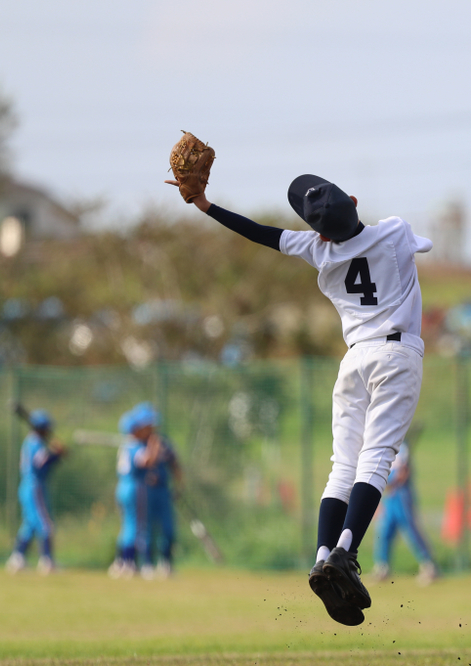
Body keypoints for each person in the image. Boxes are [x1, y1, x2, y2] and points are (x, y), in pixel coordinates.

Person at [167, 170, 431, 626]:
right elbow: (417, 245)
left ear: (318, 231)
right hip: (396, 354)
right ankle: (346, 553)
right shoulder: (394, 231)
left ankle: (323, 554)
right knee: (378, 457)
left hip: (353, 361)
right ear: (352, 198)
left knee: (342, 466)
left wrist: (205, 204)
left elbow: (262, 234)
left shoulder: (315, 249)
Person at [6, 410, 66, 575]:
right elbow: (42, 464)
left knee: (30, 524)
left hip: (28, 485)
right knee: (45, 524)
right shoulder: (35, 443)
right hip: (34, 486)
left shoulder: (32, 441)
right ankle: (47, 560)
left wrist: (55, 454)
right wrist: (57, 455)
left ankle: (17, 557)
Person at [371, 439, 437, 585]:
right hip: (390, 496)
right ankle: (382, 567)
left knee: (411, 530)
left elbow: (403, 473)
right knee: (384, 532)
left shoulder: (402, 446)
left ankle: (429, 566)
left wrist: (388, 482)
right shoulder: (383, 445)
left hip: (401, 495)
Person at [109, 403, 162, 579]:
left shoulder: (128, 445)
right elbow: (147, 462)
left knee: (128, 526)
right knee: (138, 526)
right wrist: (154, 446)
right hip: (135, 487)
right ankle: (135, 563)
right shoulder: (136, 446)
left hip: (123, 486)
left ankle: (123, 562)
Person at [141, 430, 181, 580]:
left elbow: (176, 466)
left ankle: (166, 564)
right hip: (147, 492)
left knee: (168, 529)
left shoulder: (166, 447)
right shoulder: (140, 446)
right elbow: (146, 462)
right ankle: (147, 564)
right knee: (148, 529)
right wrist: (152, 447)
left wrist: (179, 487)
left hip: (163, 492)